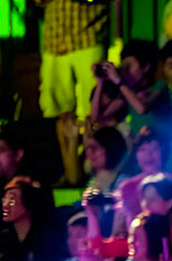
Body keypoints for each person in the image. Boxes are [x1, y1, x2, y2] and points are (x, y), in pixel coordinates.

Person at [37, 0, 108, 186]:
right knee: (60, 114)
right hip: (55, 41)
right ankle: (68, 171)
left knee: (91, 112)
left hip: (87, 37)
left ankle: (92, 171)